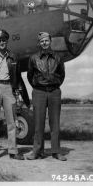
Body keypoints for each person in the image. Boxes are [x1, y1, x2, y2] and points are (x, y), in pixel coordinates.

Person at [0, 29, 30, 161]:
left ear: (6, 41)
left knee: (12, 121)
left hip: (8, 88)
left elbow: (18, 75)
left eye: (3, 40)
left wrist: (16, 89)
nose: (1, 42)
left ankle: (13, 151)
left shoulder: (14, 57)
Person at [27, 32, 66, 161]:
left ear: (50, 41)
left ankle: (56, 152)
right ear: (39, 43)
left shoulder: (58, 58)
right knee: (38, 124)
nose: (44, 43)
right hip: (39, 92)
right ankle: (37, 151)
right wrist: (39, 86)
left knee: (55, 124)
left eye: (46, 40)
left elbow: (62, 75)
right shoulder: (33, 58)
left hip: (55, 92)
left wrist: (54, 85)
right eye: (42, 41)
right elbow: (30, 76)